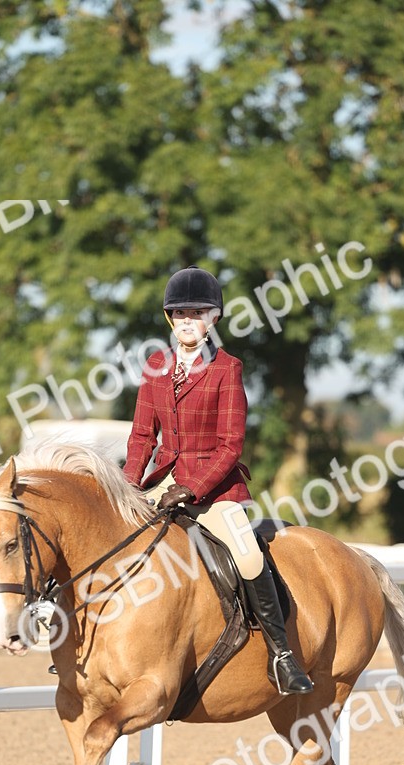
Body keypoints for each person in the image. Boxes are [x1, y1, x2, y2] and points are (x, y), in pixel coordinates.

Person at [123, 265, 313, 695]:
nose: (189, 321)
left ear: (213, 319)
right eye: (181, 314)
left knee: (248, 556)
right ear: (170, 319)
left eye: (198, 313)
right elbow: (140, 436)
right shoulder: (156, 366)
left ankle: (281, 655)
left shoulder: (228, 368)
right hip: (161, 480)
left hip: (214, 489)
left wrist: (191, 488)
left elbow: (231, 446)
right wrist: (129, 487)